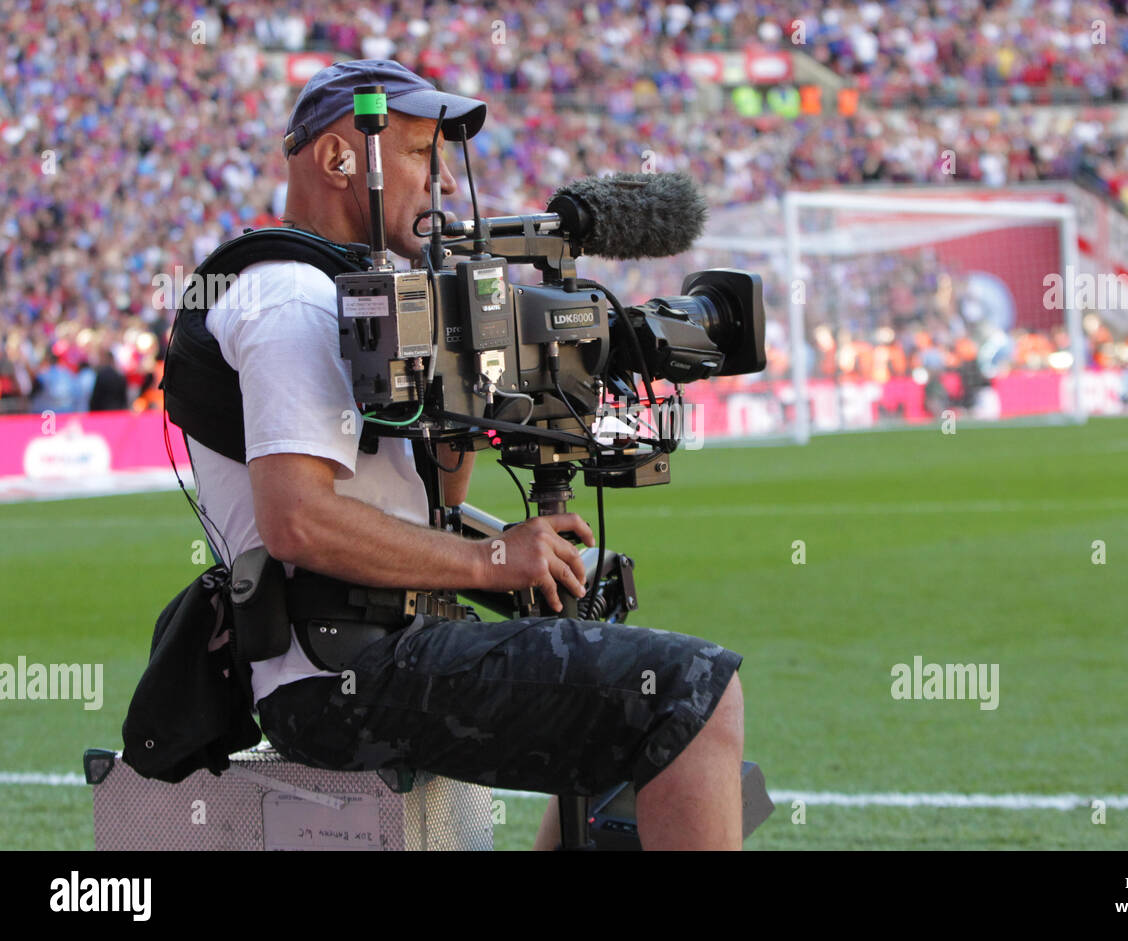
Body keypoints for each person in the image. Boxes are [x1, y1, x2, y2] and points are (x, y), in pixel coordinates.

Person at [179, 60, 745, 850]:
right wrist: (493, 561)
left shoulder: (359, 287)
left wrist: (477, 392)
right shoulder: (290, 294)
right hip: (343, 674)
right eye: (420, 153)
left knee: (640, 698)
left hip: (373, 651)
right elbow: (298, 521)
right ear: (341, 158)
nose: (443, 179)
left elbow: (425, 490)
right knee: (695, 689)